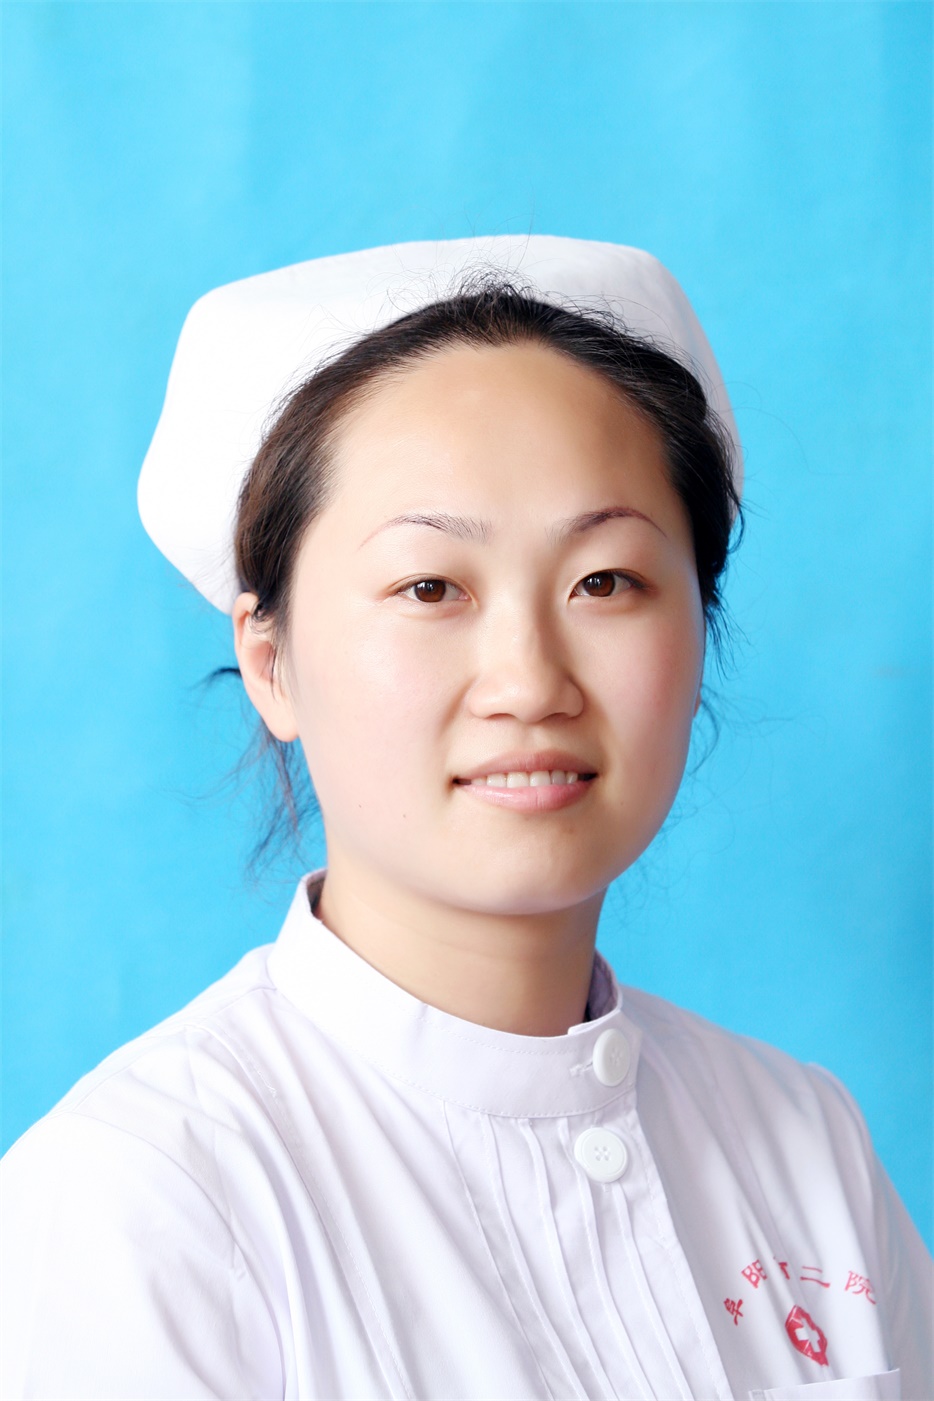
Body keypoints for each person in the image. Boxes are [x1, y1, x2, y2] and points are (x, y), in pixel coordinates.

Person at [1, 237, 930, 1400]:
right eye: (430, 587)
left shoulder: (803, 1143)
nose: (529, 682)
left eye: (605, 581)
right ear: (271, 663)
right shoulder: (141, 1200)